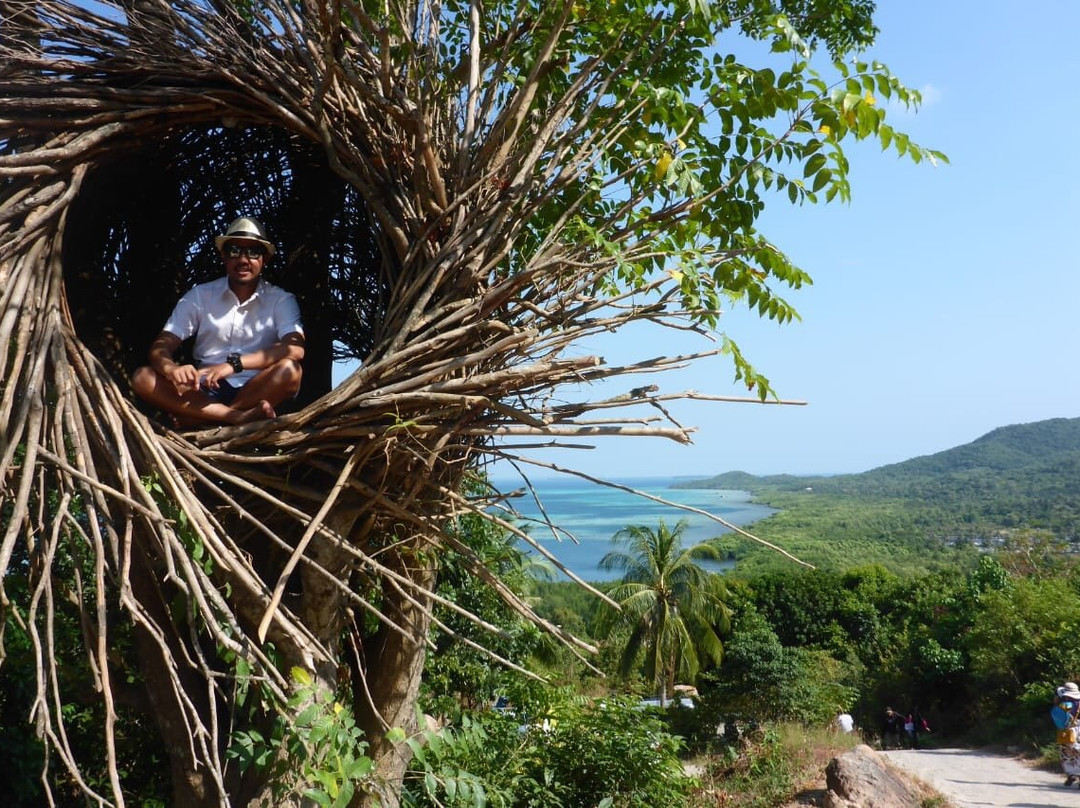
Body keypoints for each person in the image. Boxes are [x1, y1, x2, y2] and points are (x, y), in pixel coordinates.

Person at [132, 216, 304, 426]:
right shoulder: (200, 295)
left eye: (253, 252)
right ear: (224, 255)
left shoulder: (281, 300)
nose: (243, 259)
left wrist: (233, 366)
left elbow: (294, 349)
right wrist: (171, 368)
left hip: (255, 390)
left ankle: (201, 418)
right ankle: (236, 418)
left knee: (290, 370)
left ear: (264, 259)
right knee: (143, 377)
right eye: (234, 251)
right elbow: (162, 345)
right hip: (203, 391)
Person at [1052, 682, 1080, 787]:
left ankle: (1072, 773)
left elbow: (1057, 715)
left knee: (1067, 752)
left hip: (1069, 730)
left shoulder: (1066, 704)